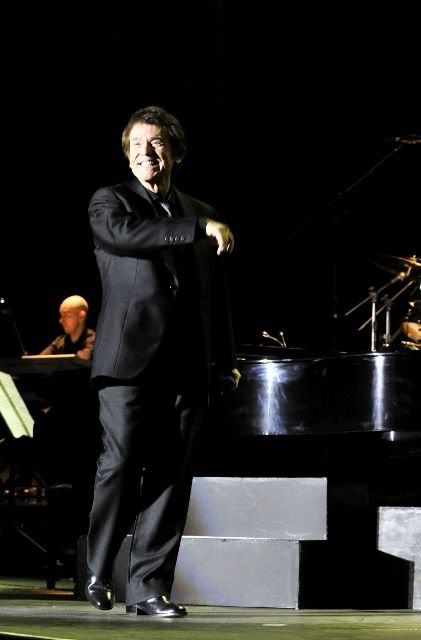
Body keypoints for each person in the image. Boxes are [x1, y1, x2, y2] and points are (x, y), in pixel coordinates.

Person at [85, 105, 240, 618]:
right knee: (122, 459)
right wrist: (195, 227)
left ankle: (149, 587)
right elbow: (127, 236)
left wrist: (226, 358)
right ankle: (98, 568)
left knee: (173, 475)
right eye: (135, 145)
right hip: (127, 360)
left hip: (188, 361)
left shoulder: (201, 211)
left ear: (176, 151)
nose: (144, 153)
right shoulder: (111, 202)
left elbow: (214, 296)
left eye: (155, 143)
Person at [40, 295, 95, 361]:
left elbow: (82, 361)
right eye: (61, 316)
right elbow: (39, 360)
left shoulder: (96, 341)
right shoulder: (59, 342)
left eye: (66, 315)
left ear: (81, 316)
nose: (61, 320)